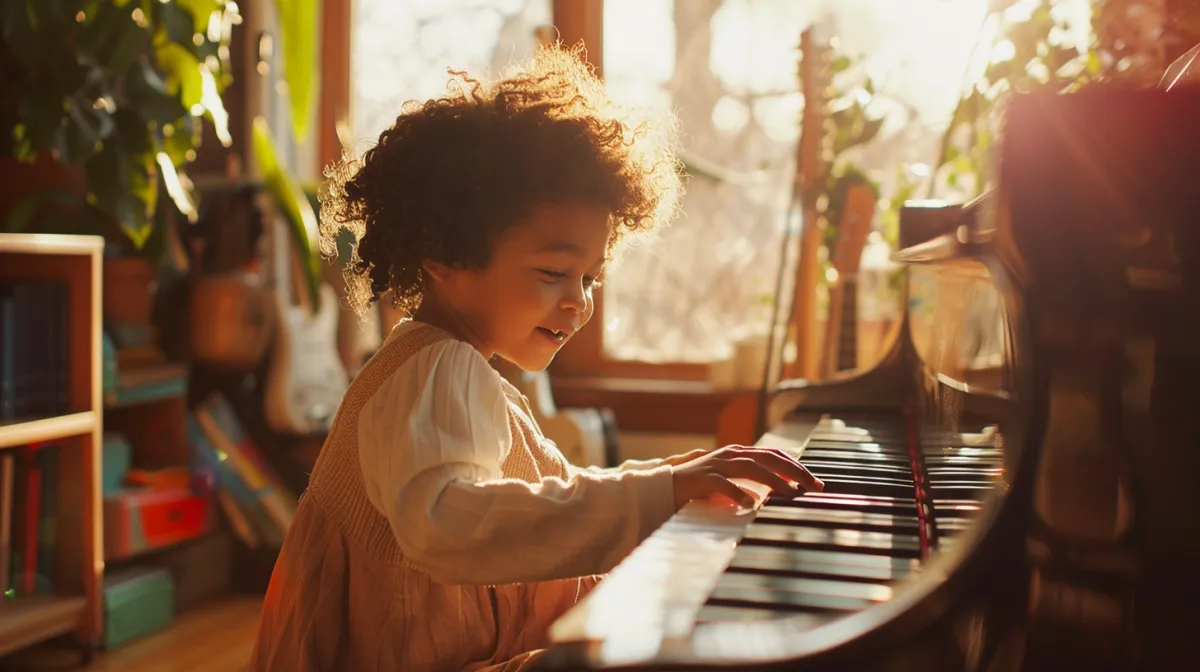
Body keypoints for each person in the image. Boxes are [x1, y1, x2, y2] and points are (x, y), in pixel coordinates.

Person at [250, 43, 823, 671]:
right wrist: (658, 493)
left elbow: (535, 495)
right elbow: (446, 526)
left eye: (591, 278)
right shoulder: (438, 370)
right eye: (555, 272)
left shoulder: (439, 363)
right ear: (445, 255)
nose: (578, 303)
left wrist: (666, 478)